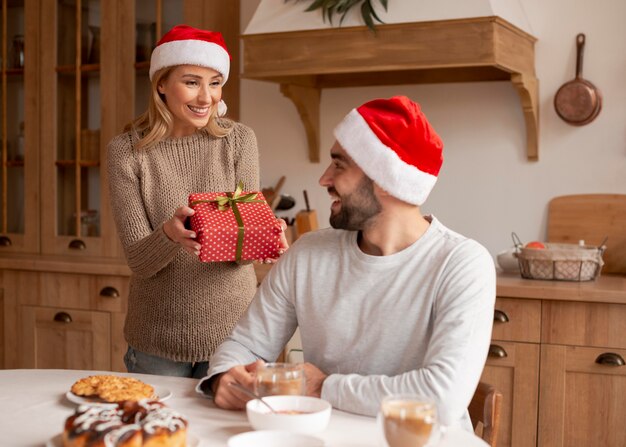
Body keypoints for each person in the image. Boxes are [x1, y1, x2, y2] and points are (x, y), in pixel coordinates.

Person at [197, 96, 496, 430]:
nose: (324, 179)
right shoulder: (308, 253)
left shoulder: (462, 264)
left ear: (384, 179)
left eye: (339, 165)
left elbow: (441, 398)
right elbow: (245, 344)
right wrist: (224, 376)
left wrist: (323, 386)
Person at [107, 25, 284, 378]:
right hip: (156, 342)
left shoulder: (239, 141)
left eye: (215, 83)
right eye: (191, 82)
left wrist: (264, 237)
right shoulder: (126, 152)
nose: (206, 98)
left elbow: (241, 250)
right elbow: (140, 261)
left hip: (236, 337)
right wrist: (170, 236)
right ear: (161, 83)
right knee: (159, 433)